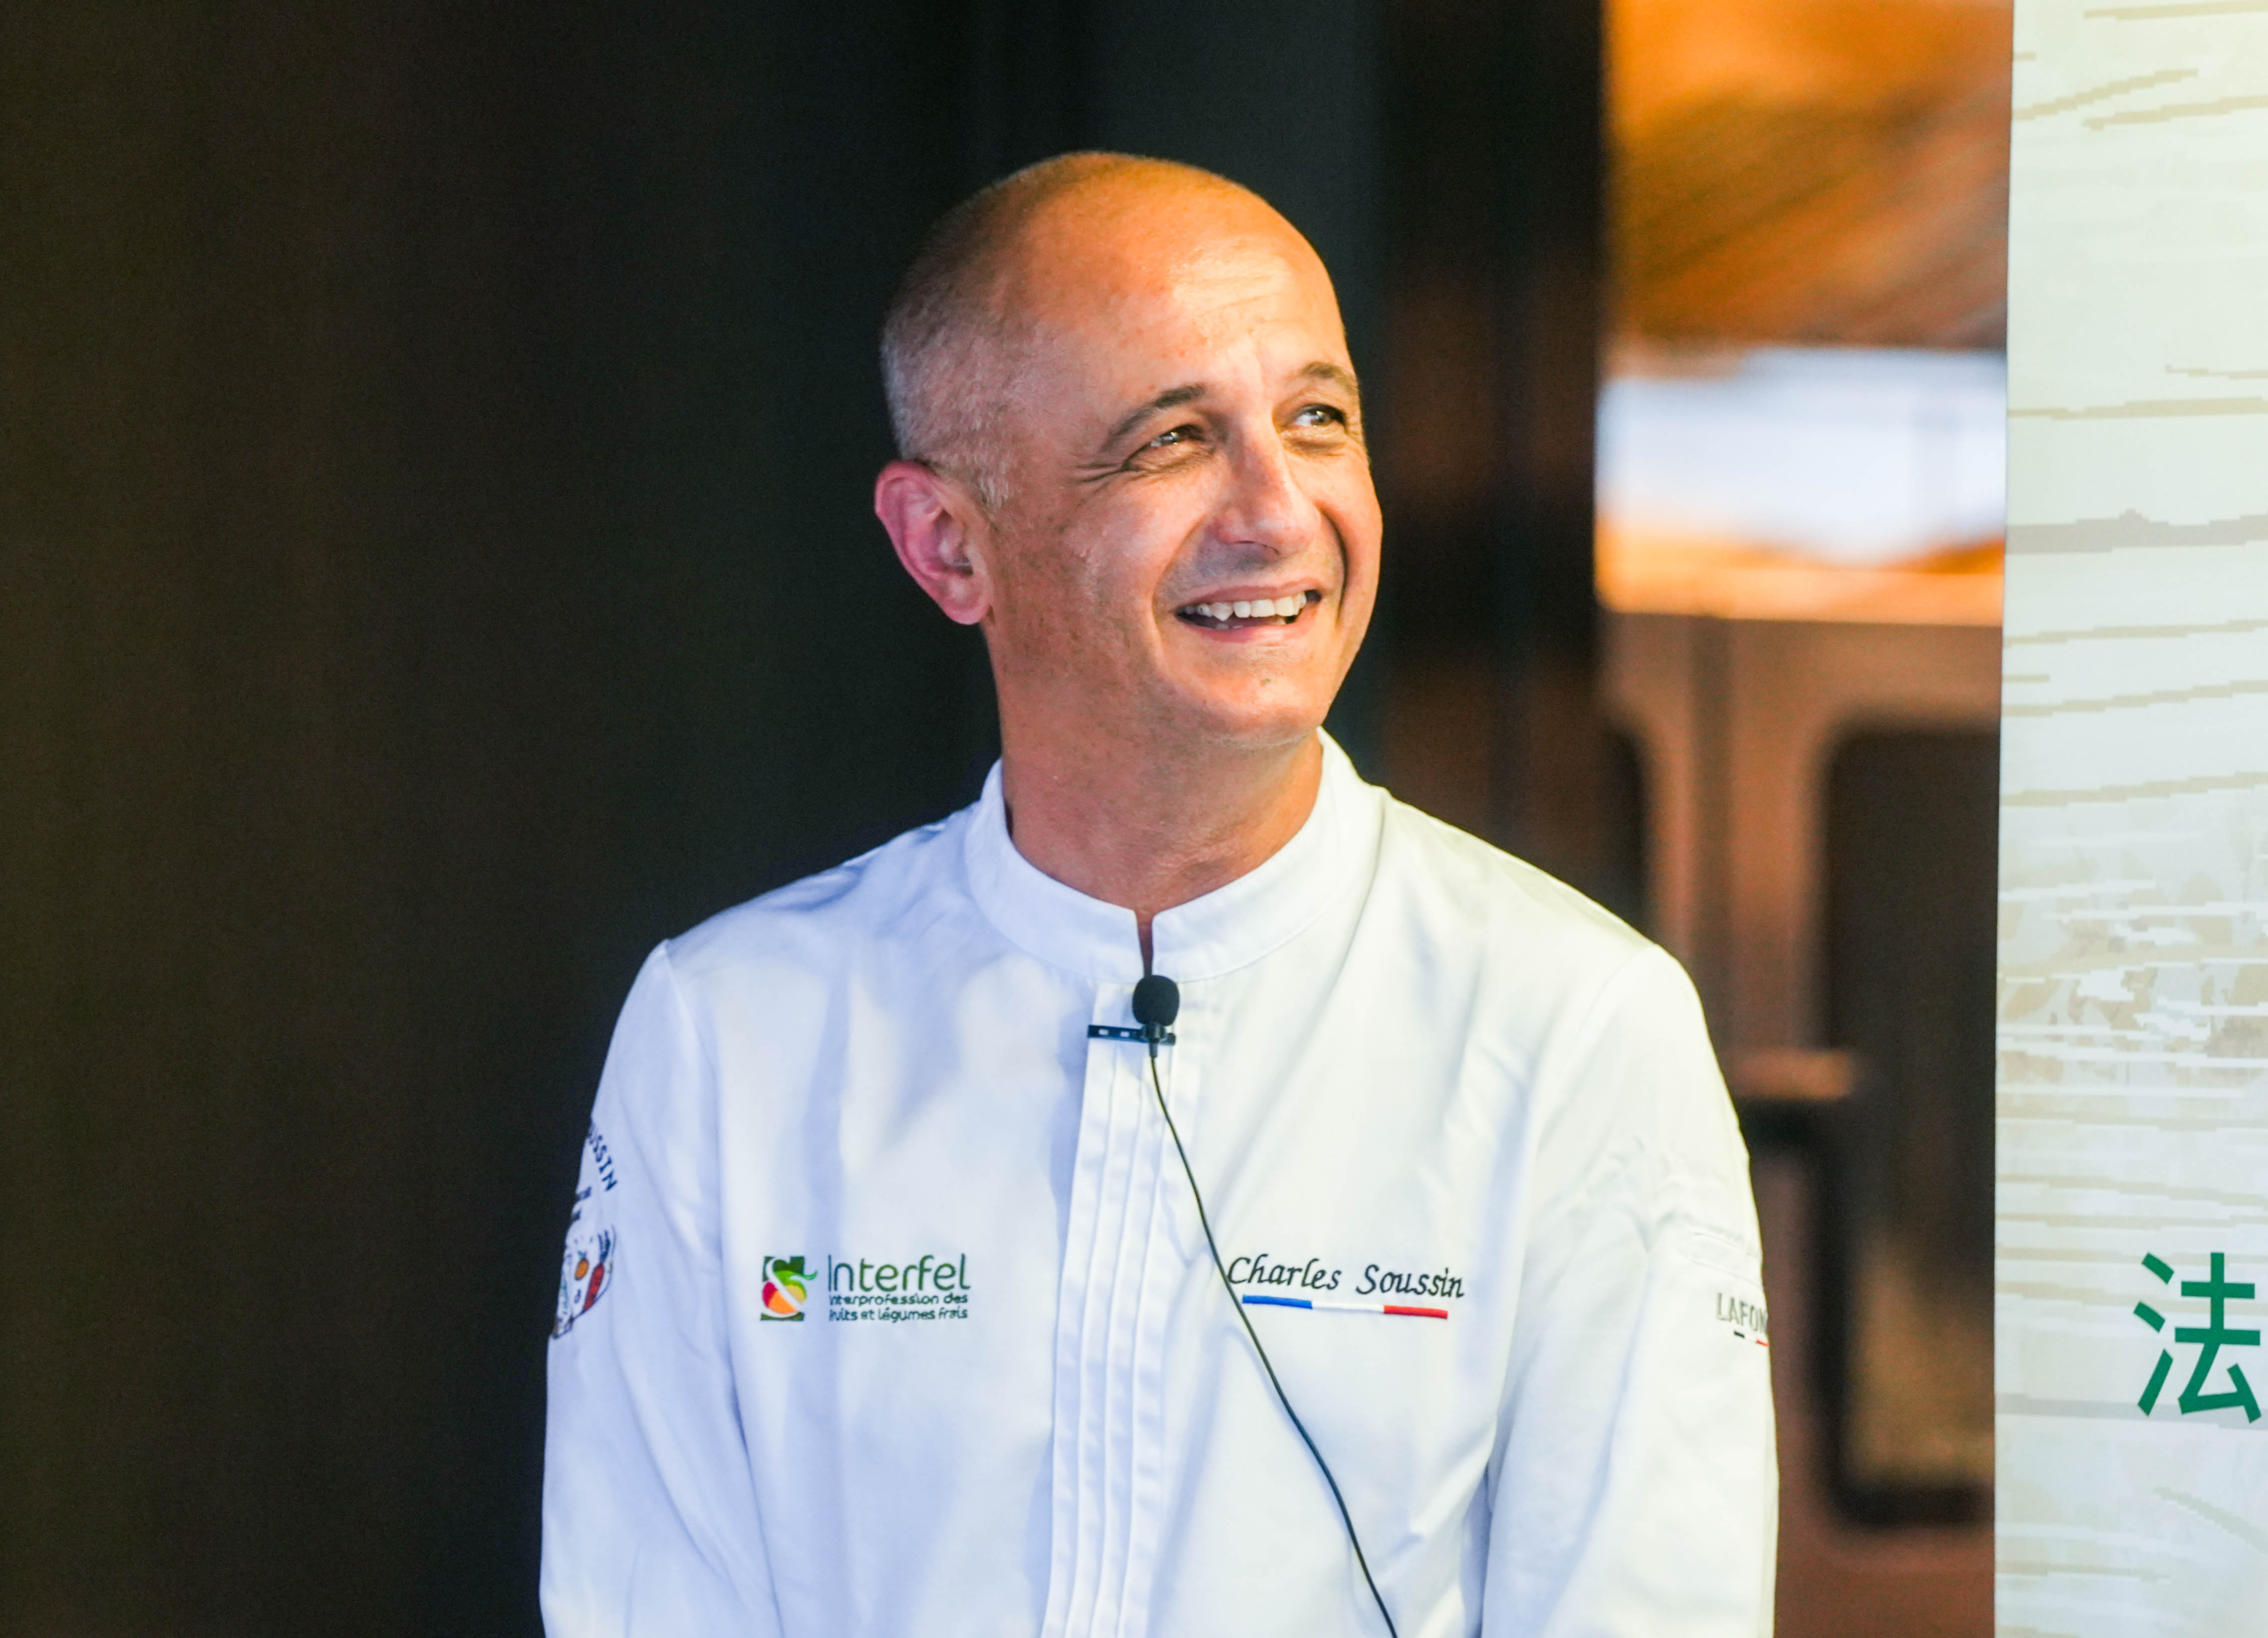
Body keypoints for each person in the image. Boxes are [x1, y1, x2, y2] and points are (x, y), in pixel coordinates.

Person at [540, 152, 1774, 1638]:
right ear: (948, 546)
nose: (1276, 510)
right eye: (1170, 443)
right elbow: (646, 1603)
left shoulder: (1577, 1025)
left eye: (1318, 421)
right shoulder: (730, 1031)